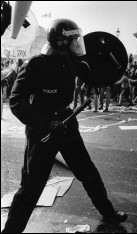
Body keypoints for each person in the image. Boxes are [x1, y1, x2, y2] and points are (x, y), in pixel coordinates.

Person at [2, 19, 127, 233]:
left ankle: (108, 213)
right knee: (31, 188)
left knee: (88, 173)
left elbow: (91, 71)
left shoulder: (68, 60)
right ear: (61, 40)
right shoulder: (35, 65)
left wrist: (110, 65)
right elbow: (15, 101)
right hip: (43, 132)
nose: (77, 42)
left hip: (67, 125)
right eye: (73, 38)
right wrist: (45, 124)